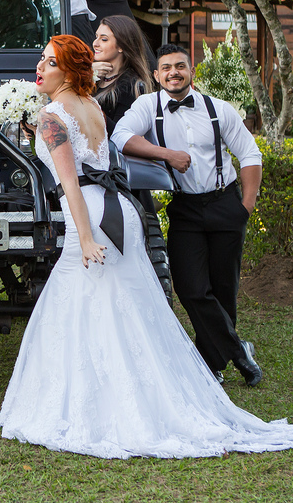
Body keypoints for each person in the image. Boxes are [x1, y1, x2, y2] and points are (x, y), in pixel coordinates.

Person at [0, 35, 293, 458]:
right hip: (120, 211)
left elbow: (70, 183)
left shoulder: (52, 116)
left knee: (90, 300)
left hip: (92, 217)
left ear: (69, 71)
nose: (40, 67)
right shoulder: (90, 106)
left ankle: (104, 400)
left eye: (50, 62)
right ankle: (140, 384)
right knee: (124, 302)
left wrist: (86, 238)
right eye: (41, 59)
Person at [112, 44, 266, 387]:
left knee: (224, 288)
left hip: (225, 203)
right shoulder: (147, 106)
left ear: (191, 71)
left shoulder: (218, 109)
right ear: (157, 75)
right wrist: (167, 154)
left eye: (180, 66)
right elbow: (120, 137)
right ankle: (239, 351)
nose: (174, 73)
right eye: (166, 67)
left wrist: (246, 206)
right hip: (185, 208)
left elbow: (250, 154)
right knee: (190, 286)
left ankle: (212, 364)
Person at [91, 16, 153, 135]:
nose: (95, 43)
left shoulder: (132, 85)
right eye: (96, 37)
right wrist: (88, 74)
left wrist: (89, 104)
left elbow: (120, 134)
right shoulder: (94, 76)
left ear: (121, 46)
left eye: (104, 39)